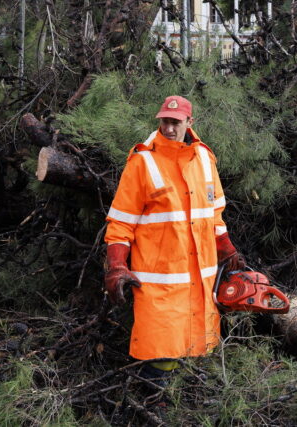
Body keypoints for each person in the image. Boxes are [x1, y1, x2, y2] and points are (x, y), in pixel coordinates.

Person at [103, 95, 245, 378]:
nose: (169, 128)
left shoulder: (204, 158)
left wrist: (227, 250)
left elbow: (214, 216)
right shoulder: (143, 162)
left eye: (176, 122)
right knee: (161, 352)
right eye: (165, 122)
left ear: (190, 122)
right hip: (160, 283)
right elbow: (120, 223)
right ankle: (156, 404)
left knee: (196, 350)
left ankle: (183, 407)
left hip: (199, 281)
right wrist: (117, 266)